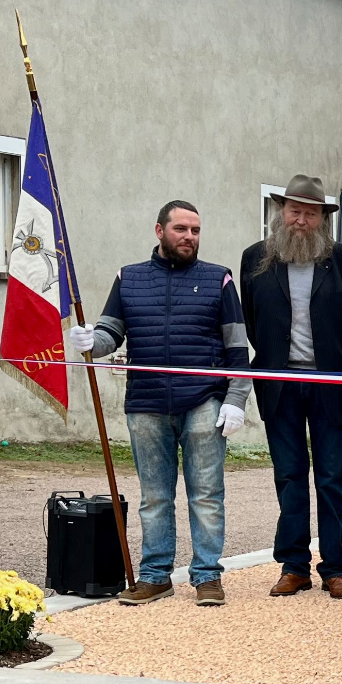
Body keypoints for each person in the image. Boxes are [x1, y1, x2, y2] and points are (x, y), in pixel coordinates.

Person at [73, 201, 250, 607]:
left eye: (196, 230)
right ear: (159, 231)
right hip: (146, 401)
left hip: (205, 401)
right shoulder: (128, 278)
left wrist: (236, 398)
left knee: (206, 493)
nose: (189, 237)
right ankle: (155, 576)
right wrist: (90, 342)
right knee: (155, 496)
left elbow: (236, 346)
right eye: (181, 229)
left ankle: (207, 575)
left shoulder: (218, 279)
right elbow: (109, 334)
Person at [238, 175, 342, 600]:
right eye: (294, 210)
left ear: (322, 219)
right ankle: (293, 566)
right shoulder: (256, 258)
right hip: (279, 383)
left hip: (331, 383)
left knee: (330, 477)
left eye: (310, 213)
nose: (301, 220)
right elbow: (252, 322)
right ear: (281, 212)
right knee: (289, 475)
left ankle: (334, 567)